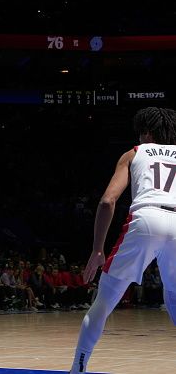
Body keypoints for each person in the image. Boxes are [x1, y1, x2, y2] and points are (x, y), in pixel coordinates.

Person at [69, 107, 176, 373]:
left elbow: (107, 201)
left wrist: (97, 249)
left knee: (103, 302)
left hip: (146, 218)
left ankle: (78, 369)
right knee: (173, 296)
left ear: (147, 132)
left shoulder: (134, 153)